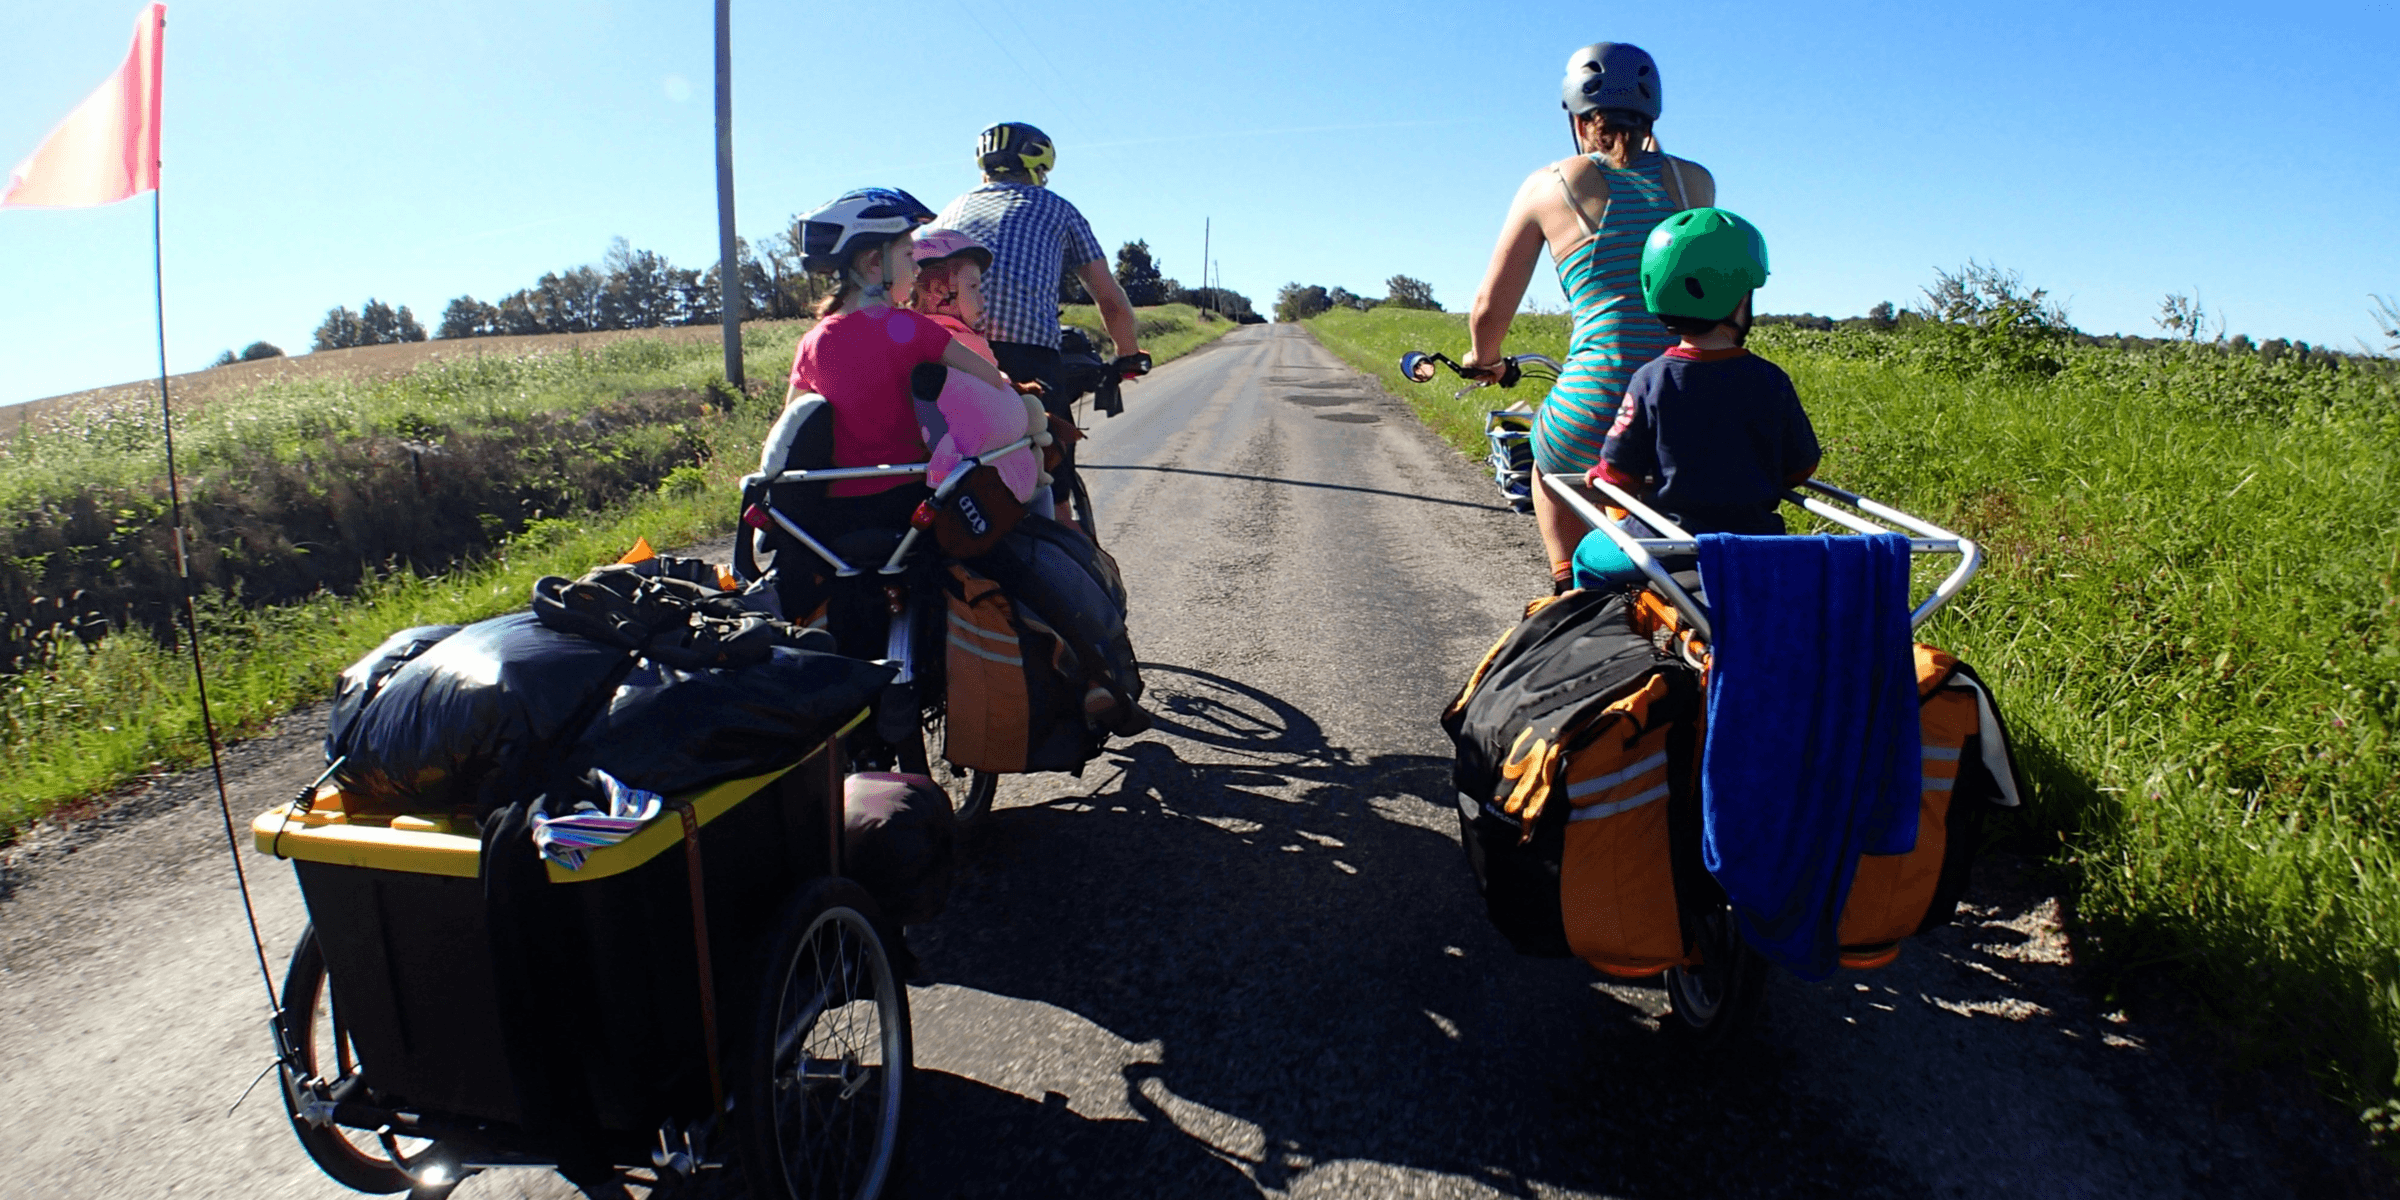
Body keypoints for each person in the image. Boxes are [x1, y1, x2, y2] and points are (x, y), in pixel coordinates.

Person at [1459, 42, 1715, 592]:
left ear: (1575, 117)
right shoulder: (1696, 183)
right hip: (1690, 401)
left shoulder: (1549, 184)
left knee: (1549, 464)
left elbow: (1488, 308)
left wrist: (1484, 359)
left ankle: (1566, 592)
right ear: (1652, 114)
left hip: (1595, 402)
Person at [1575, 207, 1817, 586]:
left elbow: (1619, 475)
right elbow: (1801, 468)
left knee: (1588, 555)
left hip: (1667, 545)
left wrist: (1600, 477)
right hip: (1756, 546)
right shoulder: (1772, 380)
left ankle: (1594, 634)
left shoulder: (1650, 379)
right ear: (1739, 298)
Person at [934, 122, 1144, 518]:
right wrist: (1129, 354)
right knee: (1053, 480)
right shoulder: (1057, 208)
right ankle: (1066, 550)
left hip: (946, 357)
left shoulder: (952, 209)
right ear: (1038, 167)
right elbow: (1110, 301)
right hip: (1027, 361)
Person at [784, 188, 1015, 536]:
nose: (916, 267)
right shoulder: (910, 327)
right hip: (910, 505)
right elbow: (991, 380)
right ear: (875, 264)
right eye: (908, 255)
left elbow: (791, 432)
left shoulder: (811, 342)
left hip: (835, 517)